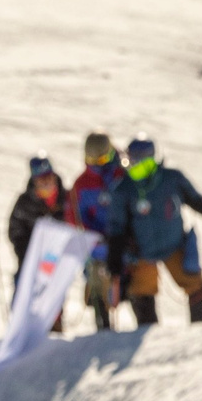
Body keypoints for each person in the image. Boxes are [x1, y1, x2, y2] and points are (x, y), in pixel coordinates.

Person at [111, 134, 202, 326]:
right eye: (132, 160)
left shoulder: (171, 179)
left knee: (195, 285)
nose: (135, 165)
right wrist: (115, 259)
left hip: (174, 246)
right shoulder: (123, 190)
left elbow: (197, 202)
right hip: (141, 252)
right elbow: (117, 228)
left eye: (141, 160)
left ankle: (201, 331)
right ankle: (149, 337)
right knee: (141, 292)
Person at [67, 132, 125, 332]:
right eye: (93, 161)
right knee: (96, 281)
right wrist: (94, 238)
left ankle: (145, 327)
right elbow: (74, 217)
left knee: (140, 284)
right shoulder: (81, 185)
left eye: (103, 159)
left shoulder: (122, 175)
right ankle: (103, 329)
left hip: (124, 242)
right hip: (98, 247)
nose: (98, 165)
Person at [8, 157, 73, 332]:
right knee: (23, 289)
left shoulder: (67, 199)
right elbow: (14, 230)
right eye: (41, 179)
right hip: (32, 259)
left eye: (48, 177)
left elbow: (76, 225)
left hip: (57, 257)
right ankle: (21, 327)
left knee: (54, 293)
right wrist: (26, 253)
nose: (46, 182)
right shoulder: (24, 202)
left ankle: (55, 327)